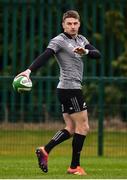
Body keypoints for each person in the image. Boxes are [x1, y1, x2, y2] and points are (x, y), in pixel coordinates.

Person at [16, 10, 101, 175]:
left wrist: (86, 52)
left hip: (67, 89)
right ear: (63, 25)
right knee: (83, 126)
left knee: (70, 127)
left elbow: (98, 54)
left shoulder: (82, 39)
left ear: (79, 24)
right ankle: (74, 167)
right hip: (70, 89)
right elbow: (46, 55)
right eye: (69, 23)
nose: (72, 26)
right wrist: (29, 71)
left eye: (75, 23)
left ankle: (45, 149)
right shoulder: (59, 40)